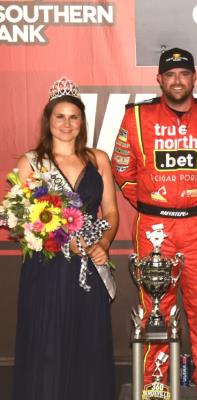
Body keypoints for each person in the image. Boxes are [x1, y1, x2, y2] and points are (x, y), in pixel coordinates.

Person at [111, 48, 197, 399]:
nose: (178, 80)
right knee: (156, 309)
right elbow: (122, 169)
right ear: (160, 80)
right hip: (154, 227)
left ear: (195, 77)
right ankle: (156, 384)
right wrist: (154, 202)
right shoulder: (137, 118)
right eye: (171, 74)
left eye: (184, 73)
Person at [12, 77, 119, 400]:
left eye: (74, 116)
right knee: (48, 342)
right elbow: (21, 224)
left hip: (89, 266)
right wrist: (61, 241)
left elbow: (111, 213)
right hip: (47, 270)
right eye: (60, 116)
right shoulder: (31, 162)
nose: (67, 123)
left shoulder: (98, 159)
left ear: (81, 121)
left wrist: (103, 244)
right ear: (49, 120)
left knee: (89, 341)